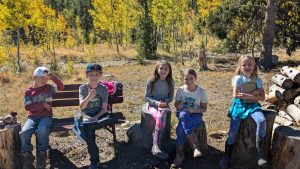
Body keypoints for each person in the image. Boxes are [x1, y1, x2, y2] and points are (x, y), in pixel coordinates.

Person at [219, 55, 266, 169]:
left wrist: (248, 96)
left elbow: (263, 97)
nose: (247, 67)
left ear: (254, 65)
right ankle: (227, 157)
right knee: (233, 131)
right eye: (244, 65)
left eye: (249, 64)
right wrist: (254, 94)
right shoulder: (238, 78)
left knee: (262, 121)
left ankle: (260, 154)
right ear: (240, 66)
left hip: (253, 105)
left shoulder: (257, 80)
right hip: (239, 106)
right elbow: (236, 95)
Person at [20, 66, 64, 169]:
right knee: (24, 132)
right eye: (42, 77)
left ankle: (41, 159)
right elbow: (28, 107)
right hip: (32, 118)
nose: (45, 80)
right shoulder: (28, 91)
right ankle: (28, 157)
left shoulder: (49, 88)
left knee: (42, 130)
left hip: (46, 117)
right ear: (35, 77)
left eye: (46, 78)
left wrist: (53, 77)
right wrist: (43, 104)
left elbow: (61, 87)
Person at [171, 68, 208, 168]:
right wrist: (178, 106)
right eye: (186, 79)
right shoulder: (181, 90)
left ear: (195, 78)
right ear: (183, 80)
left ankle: (179, 155)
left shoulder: (201, 91)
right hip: (183, 113)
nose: (189, 81)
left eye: (191, 78)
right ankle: (195, 147)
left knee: (180, 129)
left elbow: (204, 109)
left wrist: (193, 110)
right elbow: (176, 104)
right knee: (183, 114)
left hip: (196, 114)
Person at [78, 63, 108, 169]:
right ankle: (95, 161)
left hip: (99, 115)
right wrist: (89, 96)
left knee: (113, 118)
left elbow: (104, 109)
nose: (94, 77)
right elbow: (82, 107)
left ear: (100, 75)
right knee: (89, 130)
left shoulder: (103, 89)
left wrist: (96, 117)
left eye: (96, 75)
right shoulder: (83, 88)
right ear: (87, 75)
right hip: (87, 115)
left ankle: (82, 130)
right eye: (91, 75)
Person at [145, 60, 175, 160]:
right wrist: (157, 103)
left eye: (166, 69)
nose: (163, 70)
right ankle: (156, 145)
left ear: (169, 70)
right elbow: (147, 97)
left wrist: (165, 102)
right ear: (157, 69)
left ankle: (156, 144)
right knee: (158, 117)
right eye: (161, 68)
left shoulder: (171, 82)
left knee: (161, 116)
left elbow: (171, 97)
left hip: (164, 105)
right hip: (153, 105)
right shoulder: (151, 81)